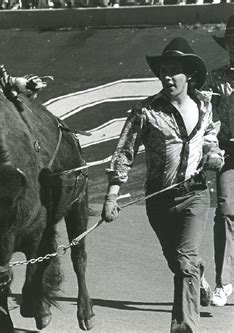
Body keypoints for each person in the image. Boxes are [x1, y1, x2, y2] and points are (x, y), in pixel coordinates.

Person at [101, 37, 224, 332]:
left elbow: (211, 141)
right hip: (158, 202)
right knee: (179, 262)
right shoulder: (146, 112)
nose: (167, 76)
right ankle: (200, 276)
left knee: (184, 263)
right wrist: (111, 195)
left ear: (189, 75)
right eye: (163, 71)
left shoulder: (205, 105)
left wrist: (213, 156)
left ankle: (184, 326)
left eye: (173, 71)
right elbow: (124, 152)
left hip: (195, 196)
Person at [205, 14, 234, 307]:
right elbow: (208, 122)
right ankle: (223, 282)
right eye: (231, 43)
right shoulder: (215, 79)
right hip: (229, 153)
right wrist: (212, 148)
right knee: (226, 212)